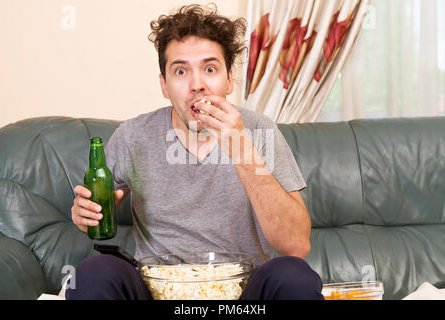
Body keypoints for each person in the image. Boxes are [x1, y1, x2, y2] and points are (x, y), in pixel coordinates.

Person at [66, 4, 324, 300]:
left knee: (294, 276)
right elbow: (96, 214)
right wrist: (87, 215)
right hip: (156, 292)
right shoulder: (132, 136)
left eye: (210, 69)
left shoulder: (260, 131)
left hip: (241, 299)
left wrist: (240, 147)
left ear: (229, 79)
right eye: (180, 71)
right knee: (92, 272)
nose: (197, 85)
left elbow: (296, 245)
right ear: (164, 85)